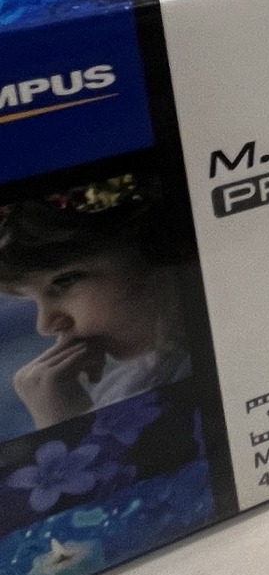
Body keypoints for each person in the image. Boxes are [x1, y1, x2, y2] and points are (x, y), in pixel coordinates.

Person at [0, 176, 192, 431]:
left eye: (65, 281)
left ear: (154, 250)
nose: (45, 325)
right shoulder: (132, 382)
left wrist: (66, 429)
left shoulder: (180, 374)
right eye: (33, 298)